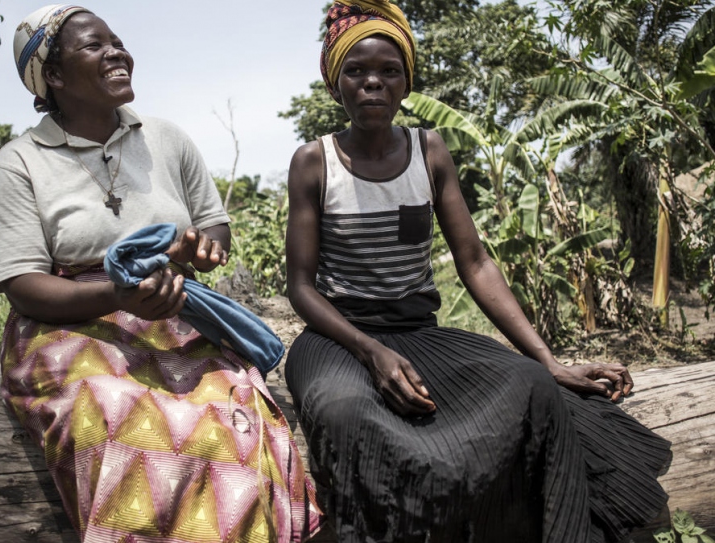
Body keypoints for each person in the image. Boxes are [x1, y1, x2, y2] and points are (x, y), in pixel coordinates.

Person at [283, 1, 671, 541]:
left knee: (532, 387)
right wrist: (370, 350)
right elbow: (300, 286)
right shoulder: (313, 161)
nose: (373, 82)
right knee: (345, 415)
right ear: (336, 82)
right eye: (356, 71)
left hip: (420, 334)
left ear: (406, 82)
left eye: (388, 71)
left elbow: (475, 262)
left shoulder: (429, 150)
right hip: (338, 338)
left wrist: (549, 359)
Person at [0, 5, 321, 541]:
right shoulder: (21, 161)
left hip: (172, 309)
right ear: (56, 76)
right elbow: (23, 286)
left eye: (117, 40)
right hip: (70, 330)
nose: (117, 52)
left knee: (230, 423)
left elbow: (213, 228)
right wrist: (118, 296)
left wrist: (201, 252)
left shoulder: (166, 139)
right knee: (113, 415)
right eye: (94, 46)